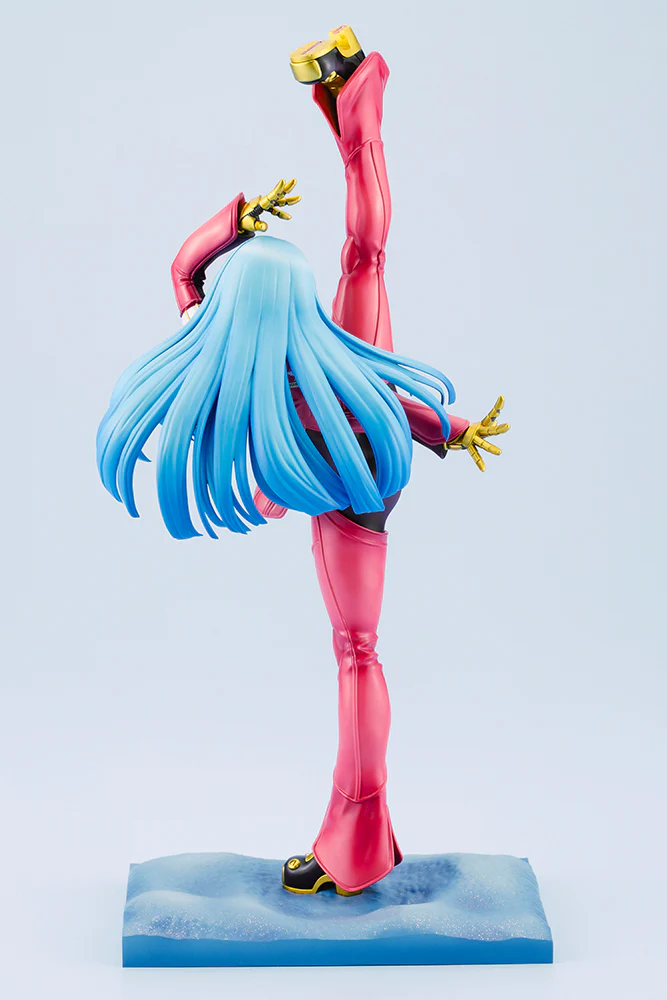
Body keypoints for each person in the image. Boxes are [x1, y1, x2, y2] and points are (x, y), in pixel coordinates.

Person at [96, 24, 509, 897]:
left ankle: (353, 846)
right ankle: (357, 95)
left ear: (237, 305)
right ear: (293, 297)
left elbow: (182, 273)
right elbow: (378, 399)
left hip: (348, 491)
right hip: (368, 452)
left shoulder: (243, 368)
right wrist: (448, 428)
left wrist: (231, 224)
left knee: (357, 653)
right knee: (368, 258)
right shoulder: (324, 356)